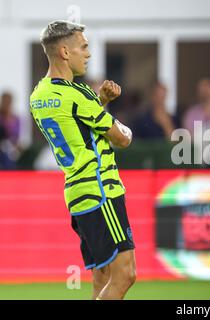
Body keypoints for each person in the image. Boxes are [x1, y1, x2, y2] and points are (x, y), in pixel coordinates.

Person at [29, 20, 136, 300]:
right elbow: (122, 138)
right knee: (125, 274)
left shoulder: (39, 96)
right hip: (101, 190)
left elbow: (76, 124)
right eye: (84, 47)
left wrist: (99, 101)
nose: (88, 54)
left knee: (101, 279)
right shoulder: (78, 93)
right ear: (65, 52)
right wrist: (121, 125)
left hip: (76, 193)